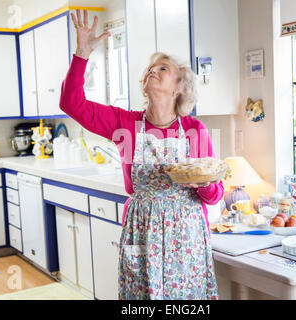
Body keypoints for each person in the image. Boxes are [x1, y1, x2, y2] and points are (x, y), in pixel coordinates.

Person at [60, 9, 224, 300]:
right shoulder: (125, 124)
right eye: (151, 68)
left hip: (185, 238)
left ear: (179, 87)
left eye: (163, 69)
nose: (152, 70)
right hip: (142, 231)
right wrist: (82, 53)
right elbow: (71, 102)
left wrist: (202, 182)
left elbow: (214, 195)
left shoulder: (194, 129)